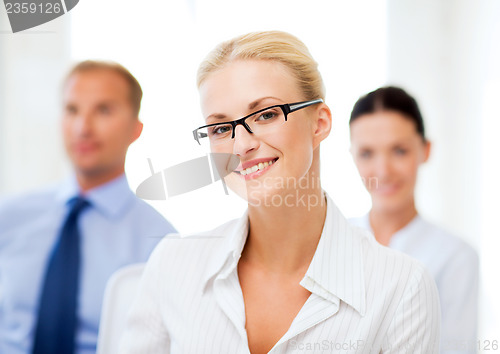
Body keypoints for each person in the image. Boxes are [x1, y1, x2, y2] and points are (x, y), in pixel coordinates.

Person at [120, 31, 440, 353]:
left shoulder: (401, 287)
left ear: (320, 123)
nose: (242, 145)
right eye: (220, 128)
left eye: (266, 115)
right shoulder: (172, 264)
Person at [0, 60, 177, 354]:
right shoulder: (10, 216)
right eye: (72, 110)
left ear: (135, 129)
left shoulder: (162, 243)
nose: (83, 128)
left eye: (104, 110)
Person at [348, 86, 479, 353]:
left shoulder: (456, 257)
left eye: (399, 151)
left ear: (425, 150)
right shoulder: (328, 242)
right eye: (367, 153)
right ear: (352, 157)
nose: (383, 171)